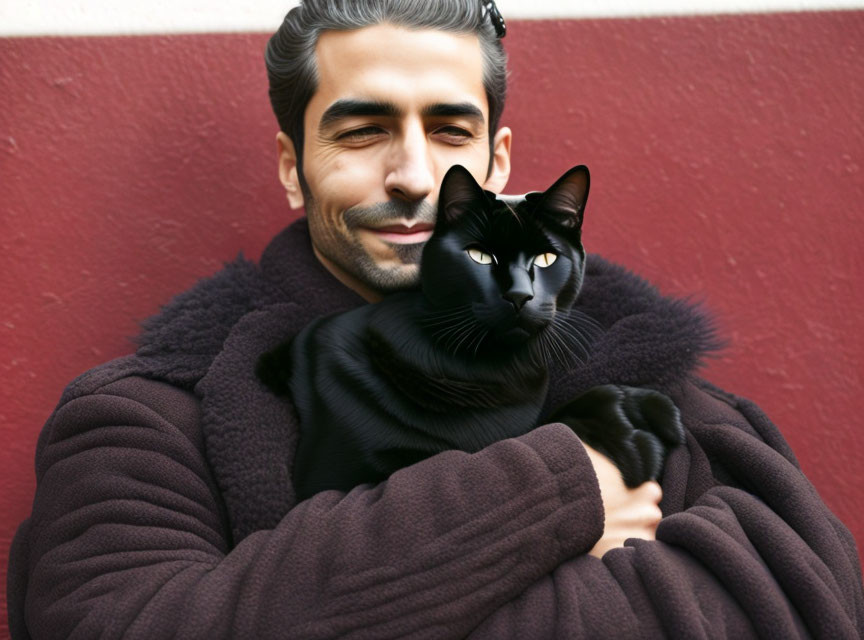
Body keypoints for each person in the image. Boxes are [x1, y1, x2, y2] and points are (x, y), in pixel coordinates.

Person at [7, 1, 863, 637]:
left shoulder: (636, 371)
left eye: (449, 128)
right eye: (362, 131)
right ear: (292, 167)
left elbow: (804, 593)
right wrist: (561, 484)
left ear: (497, 161)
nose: (414, 174)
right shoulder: (149, 419)